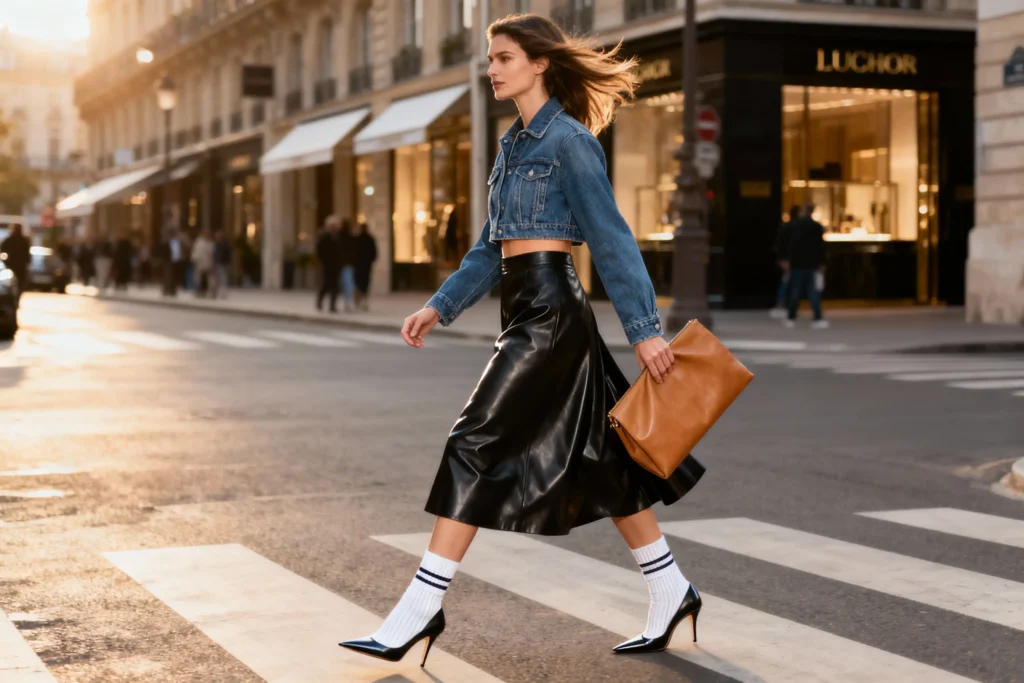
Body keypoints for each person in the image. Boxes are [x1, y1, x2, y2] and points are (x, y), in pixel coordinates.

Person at [339, 14, 705, 665]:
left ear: (538, 63)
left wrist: (645, 331)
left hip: (553, 313)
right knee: (605, 457)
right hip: (524, 306)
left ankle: (419, 610)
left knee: (473, 441)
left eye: (504, 57)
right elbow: (490, 248)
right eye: (490, 59)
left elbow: (613, 238)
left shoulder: (568, 141)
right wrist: (439, 304)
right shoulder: (512, 146)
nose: (493, 69)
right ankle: (671, 586)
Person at [785, 202, 829, 329]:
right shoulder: (816, 227)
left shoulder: (795, 226)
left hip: (798, 262)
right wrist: (822, 262)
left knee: (796, 290)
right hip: (812, 263)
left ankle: (791, 316)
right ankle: (817, 317)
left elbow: (792, 245)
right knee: (813, 291)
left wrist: (789, 260)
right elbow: (821, 247)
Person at [770, 205, 801, 318]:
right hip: (790, 259)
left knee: (789, 282)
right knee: (788, 282)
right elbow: (782, 245)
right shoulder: (792, 227)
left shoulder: (789, 227)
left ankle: (786, 305)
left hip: (789, 259)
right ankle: (782, 304)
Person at [315, 217, 341, 312]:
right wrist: (324, 262)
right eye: (334, 225)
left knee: (335, 286)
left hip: (336, 265)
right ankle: (320, 301)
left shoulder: (338, 236)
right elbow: (320, 251)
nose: (336, 227)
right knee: (326, 285)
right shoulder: (324, 237)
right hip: (327, 265)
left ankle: (332, 306)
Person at [0, 224, 30, 301]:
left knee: (19, 285)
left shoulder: (23, 241)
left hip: (17, 268)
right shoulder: (9, 240)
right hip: (11, 268)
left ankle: (16, 299)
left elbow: (27, 256)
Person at [354, 222, 377, 311]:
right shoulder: (360, 239)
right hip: (362, 265)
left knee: (362, 284)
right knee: (362, 284)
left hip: (363, 265)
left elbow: (374, 252)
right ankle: (361, 302)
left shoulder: (366, 239)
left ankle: (361, 302)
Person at [337, 219, 357, 313]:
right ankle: (347, 302)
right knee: (348, 284)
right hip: (347, 263)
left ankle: (347, 302)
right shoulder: (349, 237)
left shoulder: (339, 236)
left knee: (346, 283)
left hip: (343, 263)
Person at [190, 229, 215, 298]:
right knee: (202, 277)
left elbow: (195, 253)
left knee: (202, 277)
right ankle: (202, 291)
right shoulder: (207, 243)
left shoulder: (201, 243)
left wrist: (194, 259)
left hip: (203, 263)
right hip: (203, 263)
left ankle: (205, 291)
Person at [212, 230, 231, 299]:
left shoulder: (225, 244)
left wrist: (228, 263)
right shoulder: (216, 244)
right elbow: (214, 254)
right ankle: (218, 293)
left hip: (223, 263)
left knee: (223, 278)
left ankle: (223, 293)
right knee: (218, 279)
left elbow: (228, 255)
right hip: (217, 263)